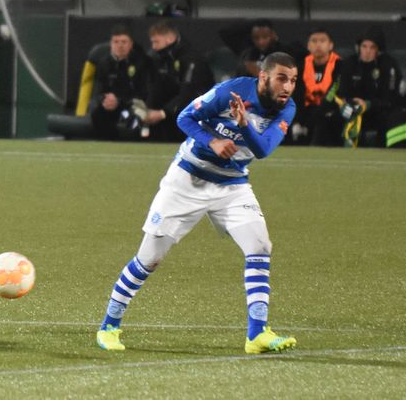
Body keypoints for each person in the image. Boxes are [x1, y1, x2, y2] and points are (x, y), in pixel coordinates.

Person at [96, 52, 299, 354]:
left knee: (259, 247)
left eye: (293, 80)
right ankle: (109, 326)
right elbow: (184, 117)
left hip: (232, 185)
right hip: (187, 181)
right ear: (264, 77)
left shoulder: (287, 109)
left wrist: (243, 125)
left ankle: (257, 333)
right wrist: (212, 141)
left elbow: (263, 149)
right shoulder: (229, 92)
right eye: (282, 78)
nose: (288, 86)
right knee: (149, 258)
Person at [142, 20, 215, 143]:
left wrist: (162, 113)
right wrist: (148, 109)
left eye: (156, 42)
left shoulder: (191, 58)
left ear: (169, 38)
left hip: (199, 108)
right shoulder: (161, 58)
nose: (153, 47)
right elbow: (156, 86)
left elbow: (189, 92)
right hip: (174, 107)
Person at [336, 26, 402, 147]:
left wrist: (368, 104)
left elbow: (391, 98)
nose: (367, 51)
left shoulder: (388, 65)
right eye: (364, 46)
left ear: (378, 50)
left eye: (372, 47)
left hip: (379, 110)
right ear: (358, 48)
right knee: (332, 116)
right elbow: (342, 91)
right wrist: (349, 103)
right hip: (353, 108)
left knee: (390, 118)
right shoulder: (349, 63)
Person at [84, 24, 149, 140]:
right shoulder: (104, 63)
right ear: (111, 44)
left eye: (124, 42)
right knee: (98, 115)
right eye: (116, 42)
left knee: (134, 117)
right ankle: (107, 145)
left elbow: (143, 91)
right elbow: (99, 90)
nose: (120, 46)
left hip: (132, 104)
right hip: (111, 105)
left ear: (131, 44)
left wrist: (119, 100)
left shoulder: (141, 62)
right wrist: (105, 99)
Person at [293, 28, 344, 146]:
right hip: (306, 111)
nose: (318, 45)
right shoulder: (300, 66)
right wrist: (296, 121)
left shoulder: (340, 66)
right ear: (308, 46)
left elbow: (333, 94)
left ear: (331, 45)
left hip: (330, 110)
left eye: (322, 41)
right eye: (314, 41)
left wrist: (307, 124)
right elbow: (297, 94)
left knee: (325, 122)